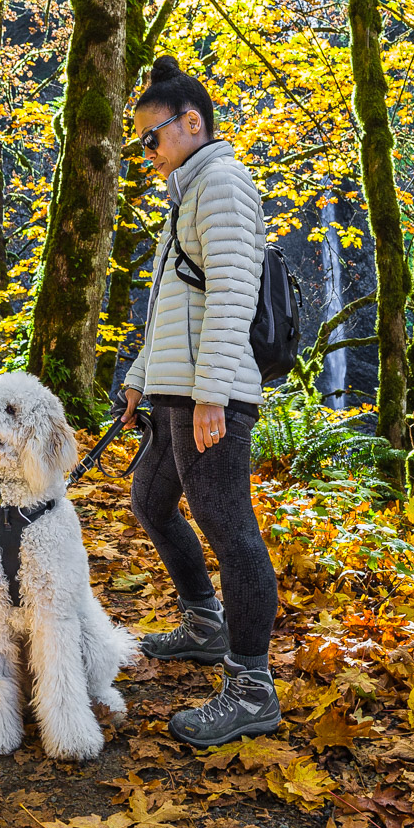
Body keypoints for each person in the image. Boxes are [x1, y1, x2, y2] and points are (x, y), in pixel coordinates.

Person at [117, 54, 279, 747]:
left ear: (191, 123)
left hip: (210, 394)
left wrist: (212, 392)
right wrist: (138, 378)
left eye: (151, 138)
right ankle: (205, 624)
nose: (145, 153)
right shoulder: (187, 190)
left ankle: (251, 688)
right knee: (149, 501)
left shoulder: (220, 183)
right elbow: (176, 306)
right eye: (139, 144)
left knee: (231, 532)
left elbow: (234, 293)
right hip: (176, 390)